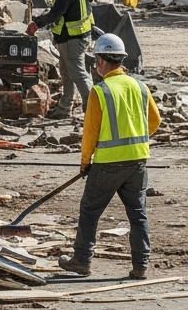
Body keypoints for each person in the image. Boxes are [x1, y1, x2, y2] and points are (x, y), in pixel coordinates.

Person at [59, 34, 160, 279]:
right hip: (137, 162)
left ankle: (82, 260)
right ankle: (140, 266)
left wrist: (85, 163)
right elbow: (154, 121)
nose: (95, 66)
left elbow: (90, 133)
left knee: (90, 212)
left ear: (102, 61)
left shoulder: (100, 91)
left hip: (107, 165)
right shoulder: (140, 86)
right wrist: (134, 137)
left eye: (96, 61)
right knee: (138, 214)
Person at [27, 0, 94, 121]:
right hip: (77, 35)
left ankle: (93, 111)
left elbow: (57, 12)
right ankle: (65, 108)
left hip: (73, 37)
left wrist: (36, 24)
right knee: (66, 73)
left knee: (78, 74)